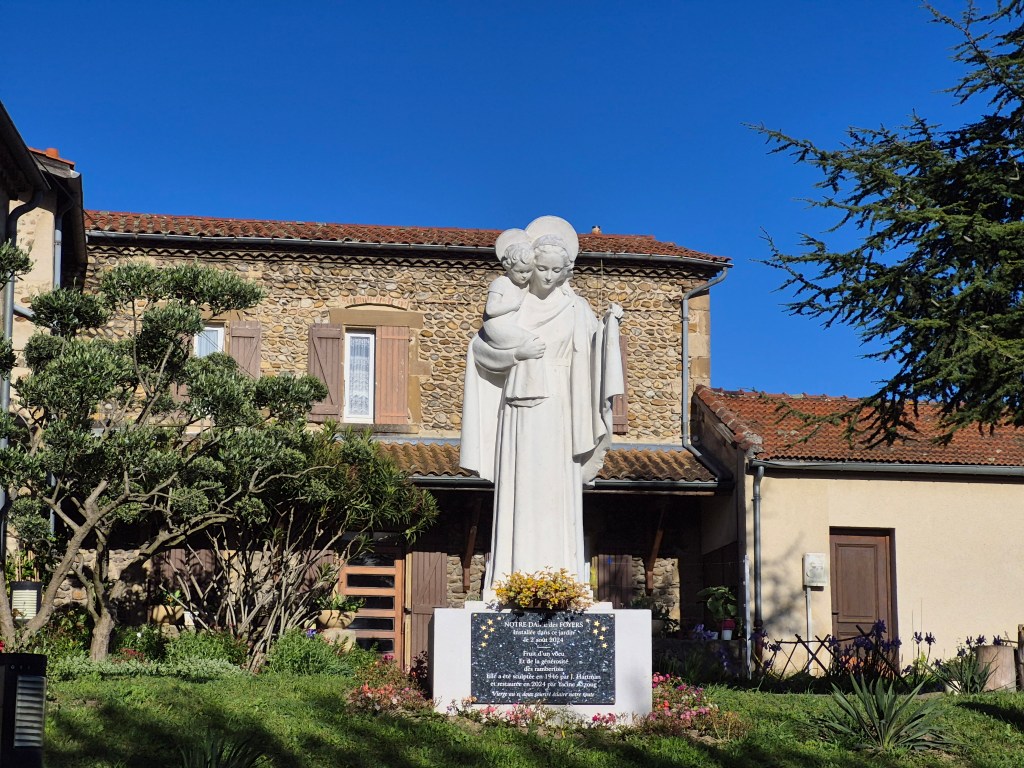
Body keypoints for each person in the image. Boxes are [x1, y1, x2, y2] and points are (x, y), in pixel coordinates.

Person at [460, 216, 624, 592]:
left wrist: (610, 326)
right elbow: (480, 351)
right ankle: (512, 578)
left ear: (567, 271)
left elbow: (595, 351)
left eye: (556, 270)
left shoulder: (577, 307)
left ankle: (562, 580)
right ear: (530, 266)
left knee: (557, 487)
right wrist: (516, 354)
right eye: (543, 268)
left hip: (563, 406)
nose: (548, 277)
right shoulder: (511, 305)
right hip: (521, 406)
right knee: (521, 482)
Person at [480, 240, 548, 405]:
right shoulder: (500, 283)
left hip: (509, 325)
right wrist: (512, 305)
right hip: (497, 327)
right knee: (533, 343)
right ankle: (524, 391)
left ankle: (528, 388)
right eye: (520, 271)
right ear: (508, 268)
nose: (524, 276)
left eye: (528, 271)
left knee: (534, 346)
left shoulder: (524, 284)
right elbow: (490, 310)